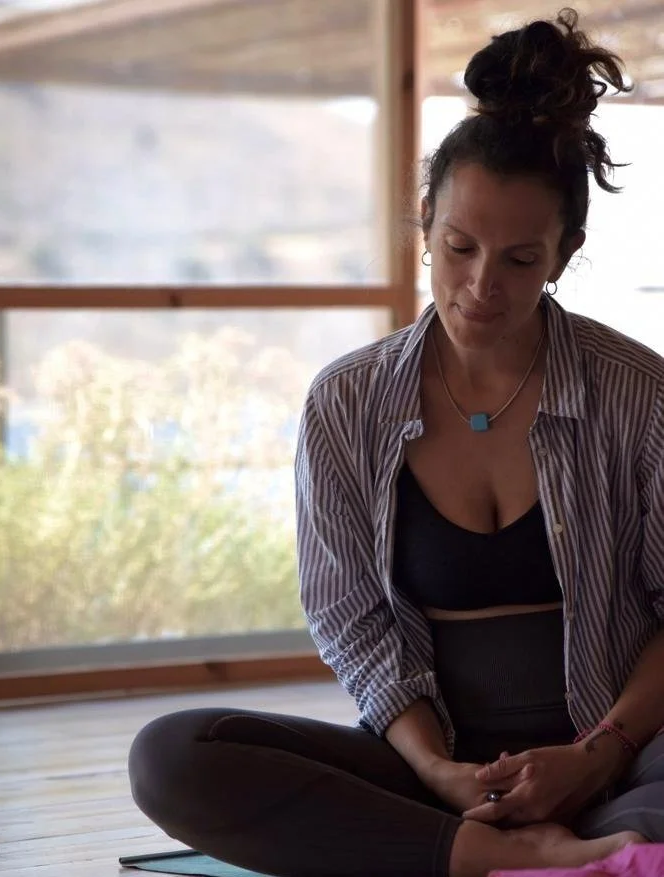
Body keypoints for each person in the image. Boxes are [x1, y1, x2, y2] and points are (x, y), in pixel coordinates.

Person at [128, 9, 664, 876]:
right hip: (436, 774)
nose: (482, 286)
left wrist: (593, 757)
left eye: (521, 260)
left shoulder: (640, 392)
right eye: (459, 247)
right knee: (173, 754)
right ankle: (499, 855)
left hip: (620, 757)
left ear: (565, 253)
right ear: (424, 224)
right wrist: (437, 772)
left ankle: (529, 849)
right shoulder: (346, 402)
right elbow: (352, 621)